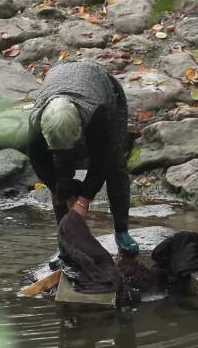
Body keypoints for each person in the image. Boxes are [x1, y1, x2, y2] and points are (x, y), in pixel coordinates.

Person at [28, 59, 139, 264]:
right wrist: (64, 193)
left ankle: (121, 231)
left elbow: (101, 162)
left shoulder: (98, 114)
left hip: (103, 89)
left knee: (115, 165)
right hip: (61, 84)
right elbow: (41, 164)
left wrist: (83, 201)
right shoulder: (35, 121)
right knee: (61, 171)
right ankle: (66, 241)